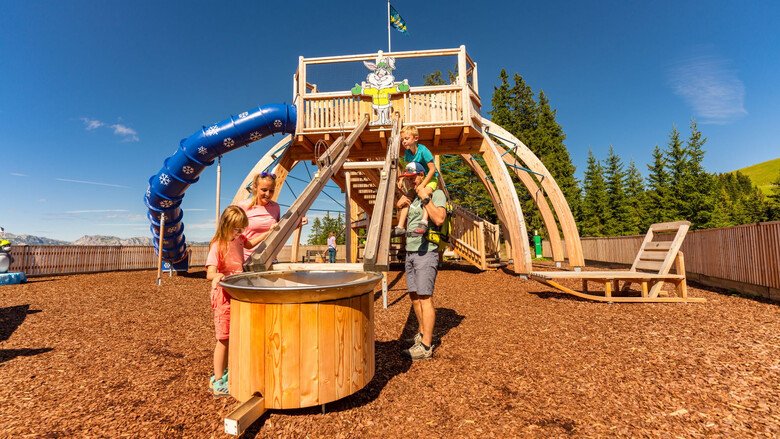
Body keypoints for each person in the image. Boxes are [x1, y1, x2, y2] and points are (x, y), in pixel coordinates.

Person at [205, 206, 271, 397]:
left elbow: (250, 244)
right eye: (237, 229)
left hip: (237, 292)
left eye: (242, 229)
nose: (240, 233)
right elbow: (210, 272)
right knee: (223, 339)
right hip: (224, 295)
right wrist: (218, 275)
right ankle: (217, 382)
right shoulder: (218, 245)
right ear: (226, 226)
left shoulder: (240, 240)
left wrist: (269, 231)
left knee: (233, 335)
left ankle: (223, 373)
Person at [400, 164, 447, 361]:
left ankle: (426, 346)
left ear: (422, 175)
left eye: (413, 177)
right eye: (408, 178)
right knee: (414, 296)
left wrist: (424, 197)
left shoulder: (436, 194)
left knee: (425, 297)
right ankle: (421, 334)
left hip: (426, 251)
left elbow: (439, 219)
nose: (410, 181)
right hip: (410, 251)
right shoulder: (410, 197)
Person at [392, 126, 438, 237]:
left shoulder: (423, 151)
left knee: (424, 194)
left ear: (416, 138)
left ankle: (424, 222)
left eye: (407, 139)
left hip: (430, 178)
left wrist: (423, 184)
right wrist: (402, 179)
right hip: (417, 180)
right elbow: (408, 167)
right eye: (402, 140)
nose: (404, 141)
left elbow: (432, 170)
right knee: (407, 197)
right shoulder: (408, 153)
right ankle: (400, 226)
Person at [235, 172, 282, 260]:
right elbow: (233, 235)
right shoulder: (242, 206)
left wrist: (297, 222)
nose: (268, 194)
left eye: (271, 190)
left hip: (270, 258)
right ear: (255, 187)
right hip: (247, 259)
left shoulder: (276, 207)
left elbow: (278, 230)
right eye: (264, 190)